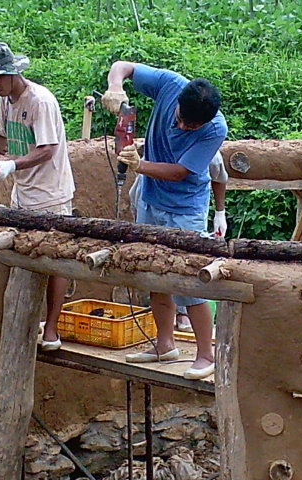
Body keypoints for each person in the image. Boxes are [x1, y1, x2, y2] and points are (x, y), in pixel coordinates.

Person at [102, 61, 227, 380]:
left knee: (189, 280)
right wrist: (116, 88)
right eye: (182, 121)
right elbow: (123, 66)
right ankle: (164, 343)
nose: (184, 129)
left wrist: (139, 165)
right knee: (152, 273)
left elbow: (180, 172)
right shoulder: (170, 85)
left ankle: (205, 354)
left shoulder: (215, 129)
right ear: (178, 105)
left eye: (192, 128)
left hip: (186, 207)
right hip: (150, 199)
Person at [0, 42, 75, 351]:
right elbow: (2, 135)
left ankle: (52, 328)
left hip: (51, 193)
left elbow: (48, 148)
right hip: (24, 191)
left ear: (13, 73)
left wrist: (13, 164)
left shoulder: (40, 101)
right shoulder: (5, 100)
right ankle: (28, 322)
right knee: (27, 255)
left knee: (55, 258)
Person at [128, 152, 228, 333]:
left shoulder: (206, 145)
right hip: (152, 206)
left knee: (188, 274)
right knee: (156, 273)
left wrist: (220, 212)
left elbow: (219, 176)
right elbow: (137, 186)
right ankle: (165, 343)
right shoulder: (155, 145)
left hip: (187, 211)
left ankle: (204, 353)